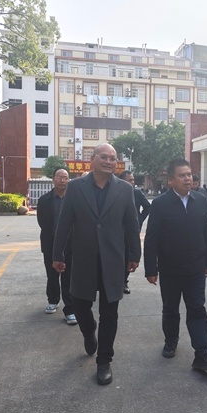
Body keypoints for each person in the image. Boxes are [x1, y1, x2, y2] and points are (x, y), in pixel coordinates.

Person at [52, 144, 141, 386]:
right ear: (92, 159)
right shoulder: (75, 187)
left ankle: (104, 360)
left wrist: (135, 254)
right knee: (80, 305)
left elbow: (131, 223)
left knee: (110, 313)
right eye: (104, 157)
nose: (109, 161)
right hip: (83, 259)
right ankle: (88, 330)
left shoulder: (125, 189)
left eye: (113, 158)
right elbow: (64, 222)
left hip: (113, 260)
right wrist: (57, 254)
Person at [144, 158, 207, 373]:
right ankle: (171, 340)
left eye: (189, 175)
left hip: (196, 269)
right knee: (170, 309)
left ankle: (202, 355)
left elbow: (206, 233)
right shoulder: (160, 204)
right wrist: (151, 268)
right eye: (182, 175)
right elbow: (151, 238)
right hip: (170, 269)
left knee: (197, 309)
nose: (188, 179)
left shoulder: (200, 200)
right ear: (171, 180)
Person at [36, 168, 76, 325]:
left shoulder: (73, 200)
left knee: (68, 276)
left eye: (65, 177)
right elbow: (42, 222)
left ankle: (70, 309)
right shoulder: (44, 200)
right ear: (53, 179)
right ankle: (52, 300)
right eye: (59, 177)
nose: (62, 180)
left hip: (70, 244)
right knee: (52, 274)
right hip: (50, 243)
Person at [118, 170, 151, 294]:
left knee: (128, 257)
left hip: (131, 231)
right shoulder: (115, 192)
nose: (132, 182)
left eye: (133, 180)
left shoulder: (137, 193)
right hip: (117, 231)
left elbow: (147, 207)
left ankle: (124, 281)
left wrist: (140, 219)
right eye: (130, 180)